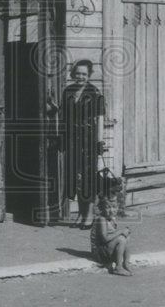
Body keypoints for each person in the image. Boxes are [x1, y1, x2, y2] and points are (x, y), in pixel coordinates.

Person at [48, 59, 104, 228]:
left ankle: (89, 217)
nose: (80, 77)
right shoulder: (68, 91)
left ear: (89, 76)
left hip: (88, 141)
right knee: (76, 179)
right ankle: (80, 214)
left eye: (84, 74)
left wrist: (99, 143)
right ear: (73, 74)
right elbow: (64, 115)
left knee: (88, 180)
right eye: (78, 73)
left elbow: (100, 119)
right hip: (72, 140)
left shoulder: (95, 93)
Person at [91, 194, 132, 275]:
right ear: (102, 209)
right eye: (108, 207)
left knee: (126, 237)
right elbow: (105, 239)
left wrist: (125, 232)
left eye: (114, 207)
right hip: (99, 252)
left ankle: (126, 263)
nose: (111, 210)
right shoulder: (101, 220)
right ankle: (118, 267)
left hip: (107, 249)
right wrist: (121, 231)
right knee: (121, 239)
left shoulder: (112, 219)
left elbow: (113, 235)